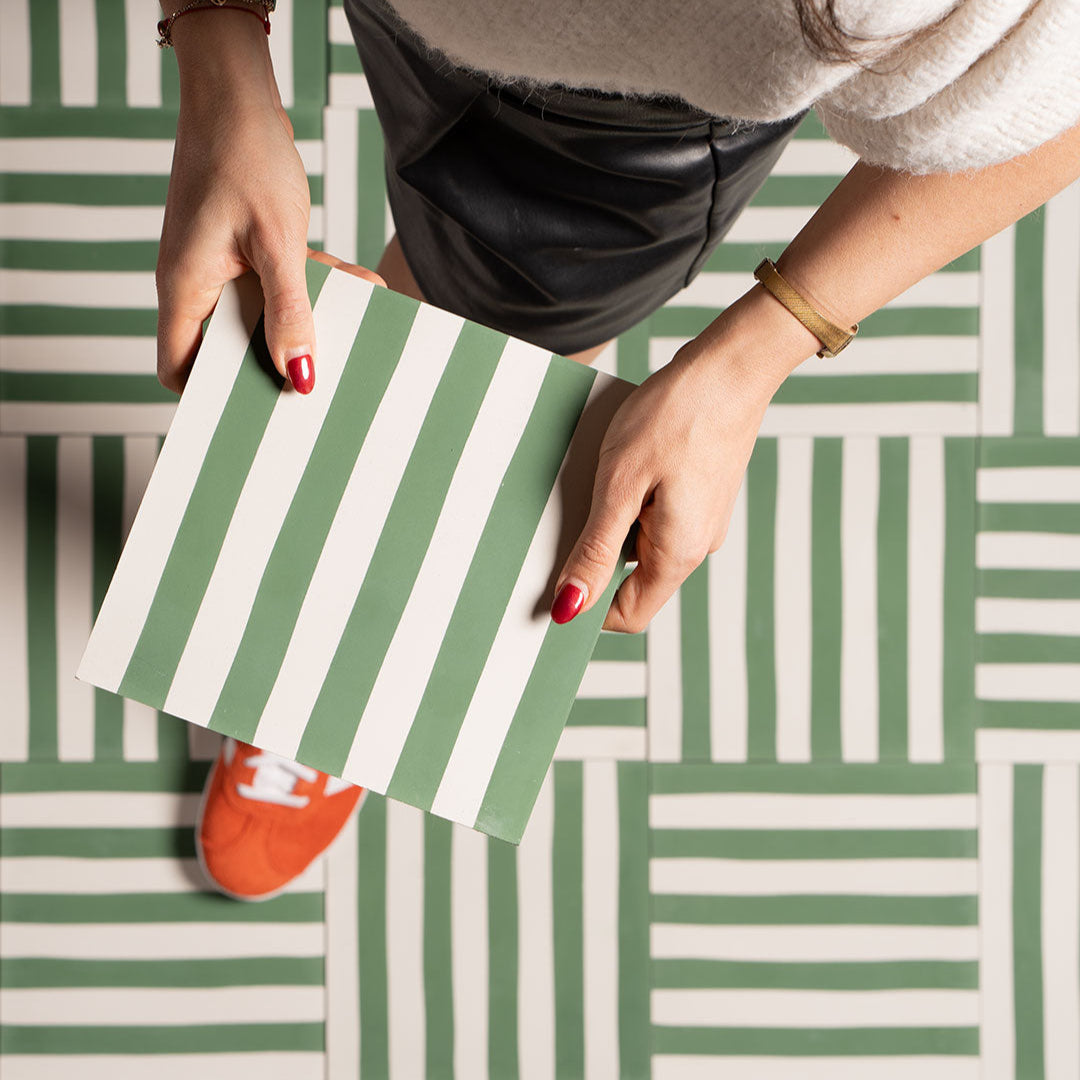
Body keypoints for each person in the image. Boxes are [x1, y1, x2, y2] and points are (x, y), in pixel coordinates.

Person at [156, 0, 1080, 899]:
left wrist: (759, 351)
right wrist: (222, 52)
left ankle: (335, 634)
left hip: (629, 126)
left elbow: (1061, 81)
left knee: (480, 352)